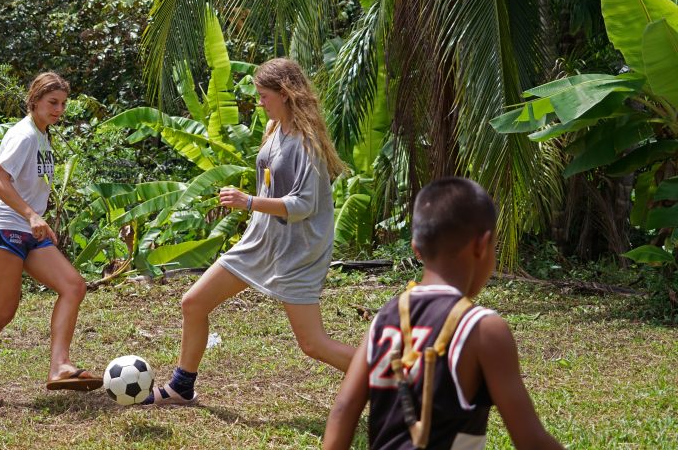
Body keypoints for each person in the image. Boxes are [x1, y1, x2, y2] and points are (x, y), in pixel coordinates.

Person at [143, 57, 355, 406]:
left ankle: (390, 378)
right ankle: (182, 387)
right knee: (194, 302)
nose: (259, 102)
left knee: (312, 344)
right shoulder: (274, 130)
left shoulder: (306, 142)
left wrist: (248, 201)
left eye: (263, 95)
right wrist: (253, 208)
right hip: (260, 243)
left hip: (297, 252)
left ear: (285, 93)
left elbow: (303, 205)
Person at [323, 178, 563, 449]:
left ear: (416, 249)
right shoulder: (483, 329)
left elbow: (343, 409)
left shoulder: (384, 319)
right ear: (482, 245)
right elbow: (530, 441)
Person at [0, 72, 101, 405]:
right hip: (3, 227)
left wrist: (39, 220)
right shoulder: (24, 135)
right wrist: (31, 215)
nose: (59, 109)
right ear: (34, 101)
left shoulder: (43, 136)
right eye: (52, 103)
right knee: (2, 311)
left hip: (28, 231)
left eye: (63, 103)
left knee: (73, 286)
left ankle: (59, 366)